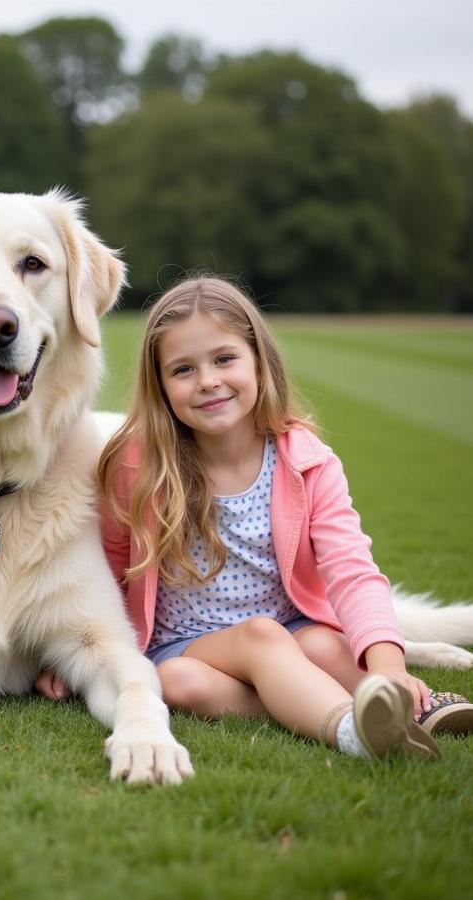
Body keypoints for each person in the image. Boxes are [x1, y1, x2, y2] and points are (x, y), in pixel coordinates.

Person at [39, 275, 473, 759]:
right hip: (185, 647)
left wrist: (389, 665)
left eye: (225, 359)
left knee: (325, 649)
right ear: (159, 386)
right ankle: (353, 731)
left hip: (292, 628)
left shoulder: (306, 460)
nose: (208, 381)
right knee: (185, 682)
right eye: (183, 370)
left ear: (259, 362)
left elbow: (352, 571)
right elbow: (111, 568)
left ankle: (417, 706)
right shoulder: (138, 465)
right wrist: (82, 652)